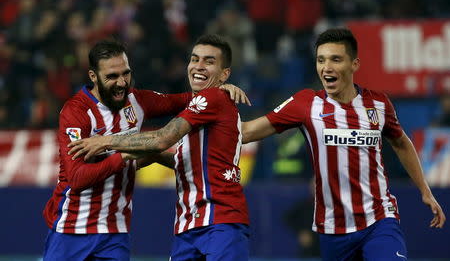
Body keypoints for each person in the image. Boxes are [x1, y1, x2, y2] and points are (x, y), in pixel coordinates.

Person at [241, 28, 446, 260]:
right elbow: (247, 132)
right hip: (333, 228)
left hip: (379, 219)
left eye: (335, 59)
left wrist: (425, 190)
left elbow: (400, 142)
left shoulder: (378, 104)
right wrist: (205, 113)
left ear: (354, 64)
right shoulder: (305, 104)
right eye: (321, 60)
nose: (326, 67)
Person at [43, 39, 249, 261]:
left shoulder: (137, 101)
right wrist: (123, 156)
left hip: (115, 232)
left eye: (126, 74)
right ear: (94, 77)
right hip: (71, 229)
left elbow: (195, 99)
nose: (122, 83)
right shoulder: (76, 112)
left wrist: (222, 88)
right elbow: (76, 178)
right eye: (112, 77)